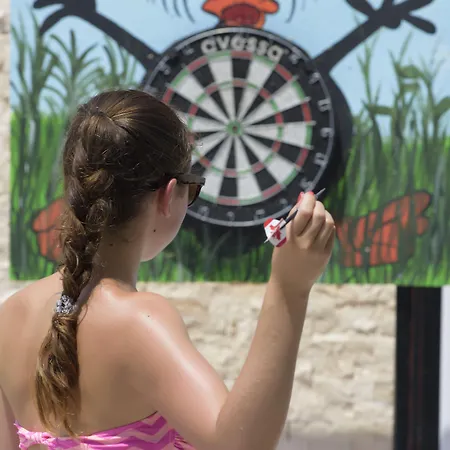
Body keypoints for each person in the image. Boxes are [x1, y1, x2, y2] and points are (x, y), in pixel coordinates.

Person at [0, 89, 335, 450]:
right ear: (168, 194)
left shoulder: (12, 314)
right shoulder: (139, 323)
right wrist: (289, 289)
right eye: (192, 189)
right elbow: (238, 444)